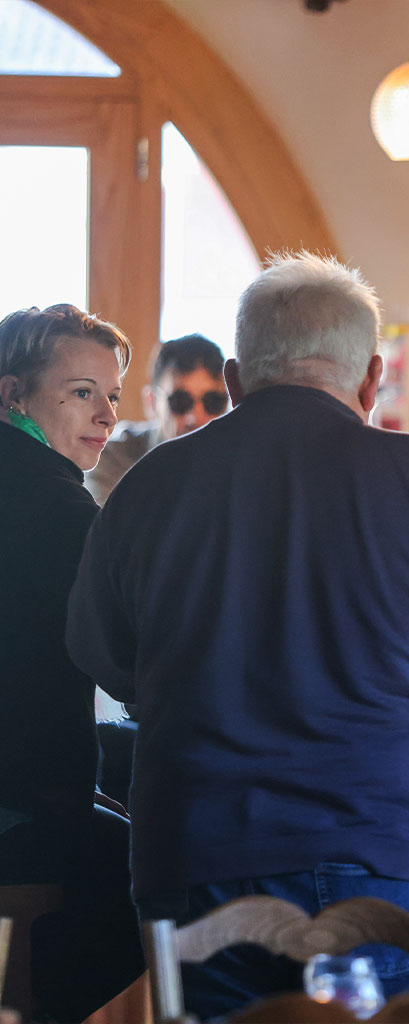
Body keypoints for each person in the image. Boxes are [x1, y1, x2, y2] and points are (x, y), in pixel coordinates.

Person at [66, 251, 409, 1021]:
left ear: (235, 380)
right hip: (384, 853)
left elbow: (98, 650)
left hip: (198, 853)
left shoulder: (151, 485)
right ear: (372, 380)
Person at [0, 303, 144, 1021]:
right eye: (81, 392)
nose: (106, 414)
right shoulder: (57, 507)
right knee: (150, 872)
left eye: (112, 395)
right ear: (13, 393)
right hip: (17, 805)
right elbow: (124, 660)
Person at [85, 332, 227, 504]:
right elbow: (104, 527)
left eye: (213, 401)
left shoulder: (242, 462)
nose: (195, 417)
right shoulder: (116, 457)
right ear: (151, 403)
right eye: (180, 402)